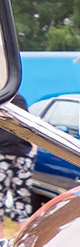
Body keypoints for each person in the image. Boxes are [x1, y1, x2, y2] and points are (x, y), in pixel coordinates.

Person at [0, 92, 33, 236]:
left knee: (18, 200)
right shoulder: (19, 98)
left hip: (7, 154)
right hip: (21, 154)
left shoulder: (15, 98)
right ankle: (22, 242)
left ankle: (20, 242)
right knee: (23, 200)